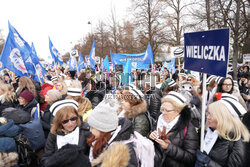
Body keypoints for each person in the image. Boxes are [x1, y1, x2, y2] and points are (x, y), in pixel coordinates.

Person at [195, 94, 249, 167]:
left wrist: (208, 162)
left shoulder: (237, 139)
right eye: (208, 114)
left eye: (212, 115)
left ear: (223, 117)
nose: (208, 117)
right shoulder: (206, 133)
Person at [149, 91, 199, 167]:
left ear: (178, 111)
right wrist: (151, 136)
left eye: (167, 110)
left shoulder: (188, 128)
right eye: (162, 109)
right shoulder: (159, 120)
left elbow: (190, 158)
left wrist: (168, 147)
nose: (163, 113)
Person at [86, 99, 138, 167]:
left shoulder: (124, 150)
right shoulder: (101, 139)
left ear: (103, 129)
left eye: (92, 127)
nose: (90, 130)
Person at [41, 99, 91, 167]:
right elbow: (46, 157)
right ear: (59, 122)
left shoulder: (85, 130)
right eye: (65, 121)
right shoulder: (53, 134)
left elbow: (91, 156)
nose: (70, 124)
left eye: (73, 119)